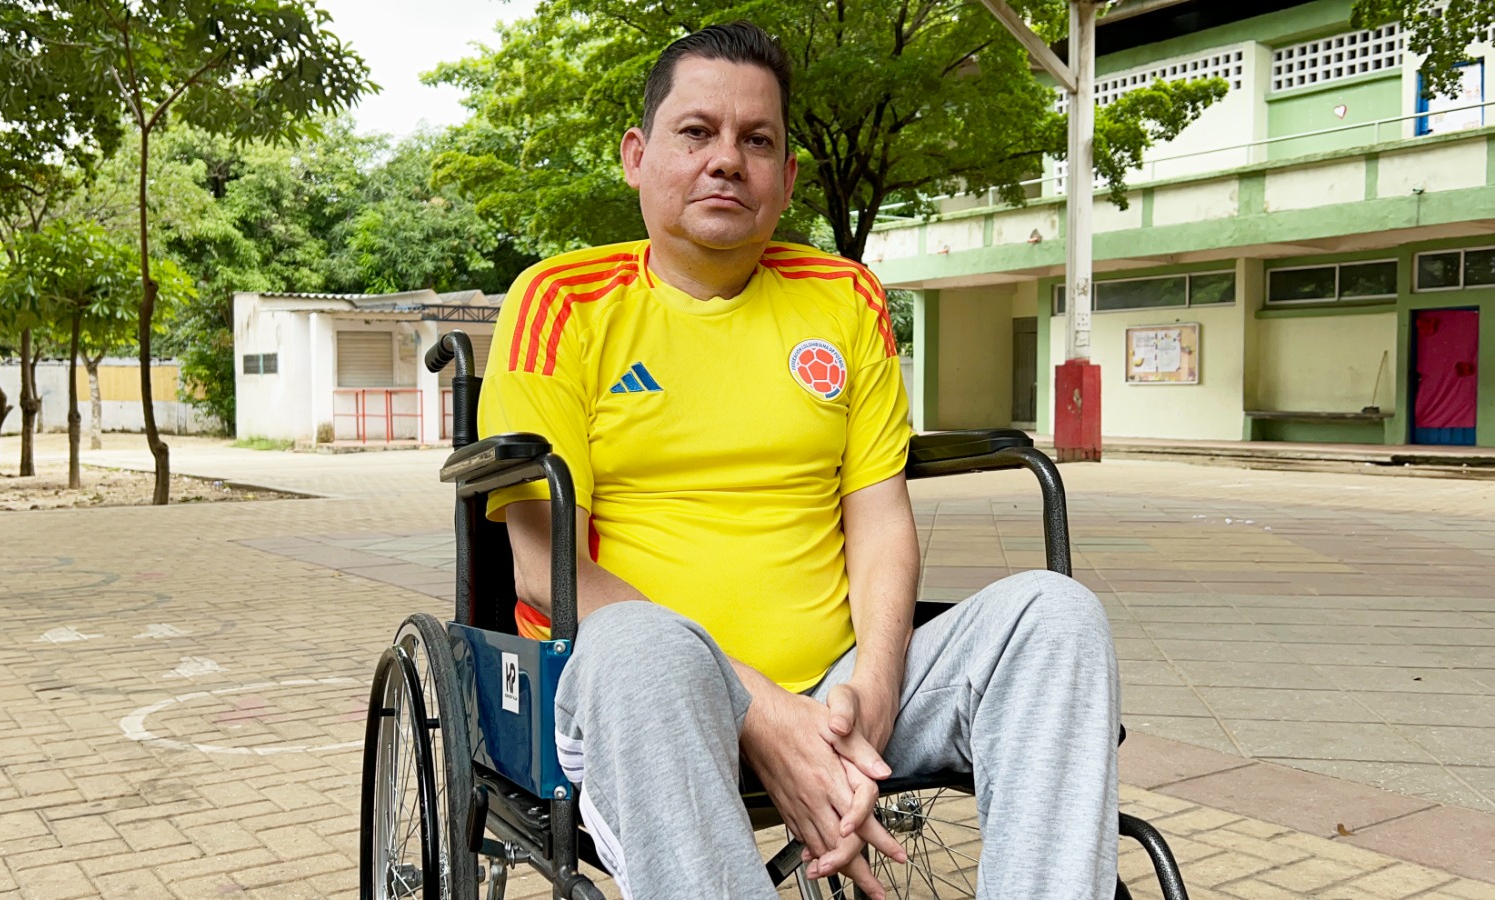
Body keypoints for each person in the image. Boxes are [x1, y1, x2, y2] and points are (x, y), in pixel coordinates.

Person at [477, 21, 1119, 900]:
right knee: (641, 650)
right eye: (696, 132)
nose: (728, 160)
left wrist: (874, 692)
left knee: (1055, 616)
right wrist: (763, 712)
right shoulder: (563, 304)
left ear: (786, 178)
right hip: (648, 690)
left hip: (839, 684)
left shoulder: (844, 297)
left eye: (758, 140)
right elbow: (549, 570)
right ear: (637, 155)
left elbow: (881, 518)